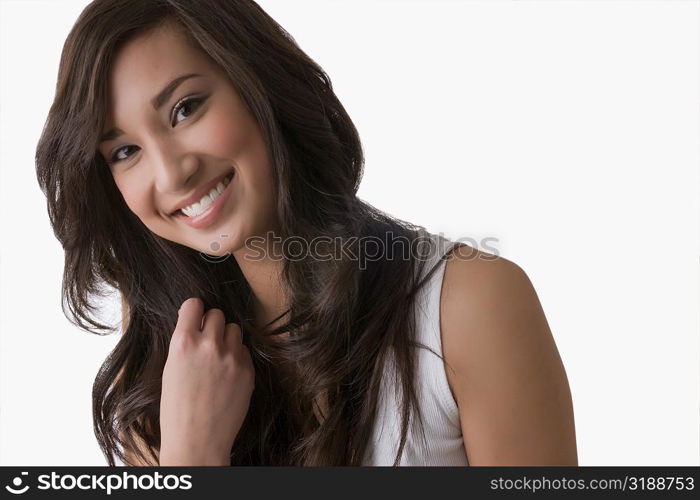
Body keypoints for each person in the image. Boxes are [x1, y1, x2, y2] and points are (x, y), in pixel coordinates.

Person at [35, 0, 577, 466]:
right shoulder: (164, 339)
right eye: (124, 151)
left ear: (260, 83)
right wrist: (194, 455)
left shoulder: (466, 306)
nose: (171, 172)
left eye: (185, 108)